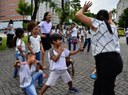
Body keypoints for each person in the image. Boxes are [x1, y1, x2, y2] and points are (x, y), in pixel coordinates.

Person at [76, 1, 123, 95]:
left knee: (105, 89)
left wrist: (84, 9)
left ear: (98, 17)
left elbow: (78, 15)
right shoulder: (113, 27)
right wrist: (109, 18)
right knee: (102, 85)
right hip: (117, 61)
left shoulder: (97, 24)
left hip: (106, 63)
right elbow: (110, 21)